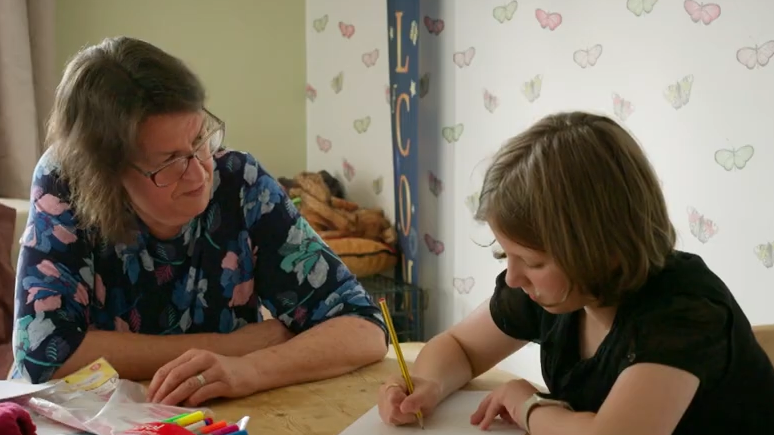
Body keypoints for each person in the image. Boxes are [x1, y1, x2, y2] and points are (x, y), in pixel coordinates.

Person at [12, 36, 388, 406]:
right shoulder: (65, 181)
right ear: (106, 174)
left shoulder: (241, 183)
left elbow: (364, 327)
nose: (198, 176)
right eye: (169, 162)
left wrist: (246, 369)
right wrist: (229, 347)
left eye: (199, 141)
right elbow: (44, 353)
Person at [377, 112, 774, 434]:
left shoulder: (684, 312)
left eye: (532, 262)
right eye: (505, 255)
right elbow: (460, 347)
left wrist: (527, 403)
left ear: (605, 250)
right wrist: (429, 384)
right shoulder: (556, 291)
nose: (513, 278)